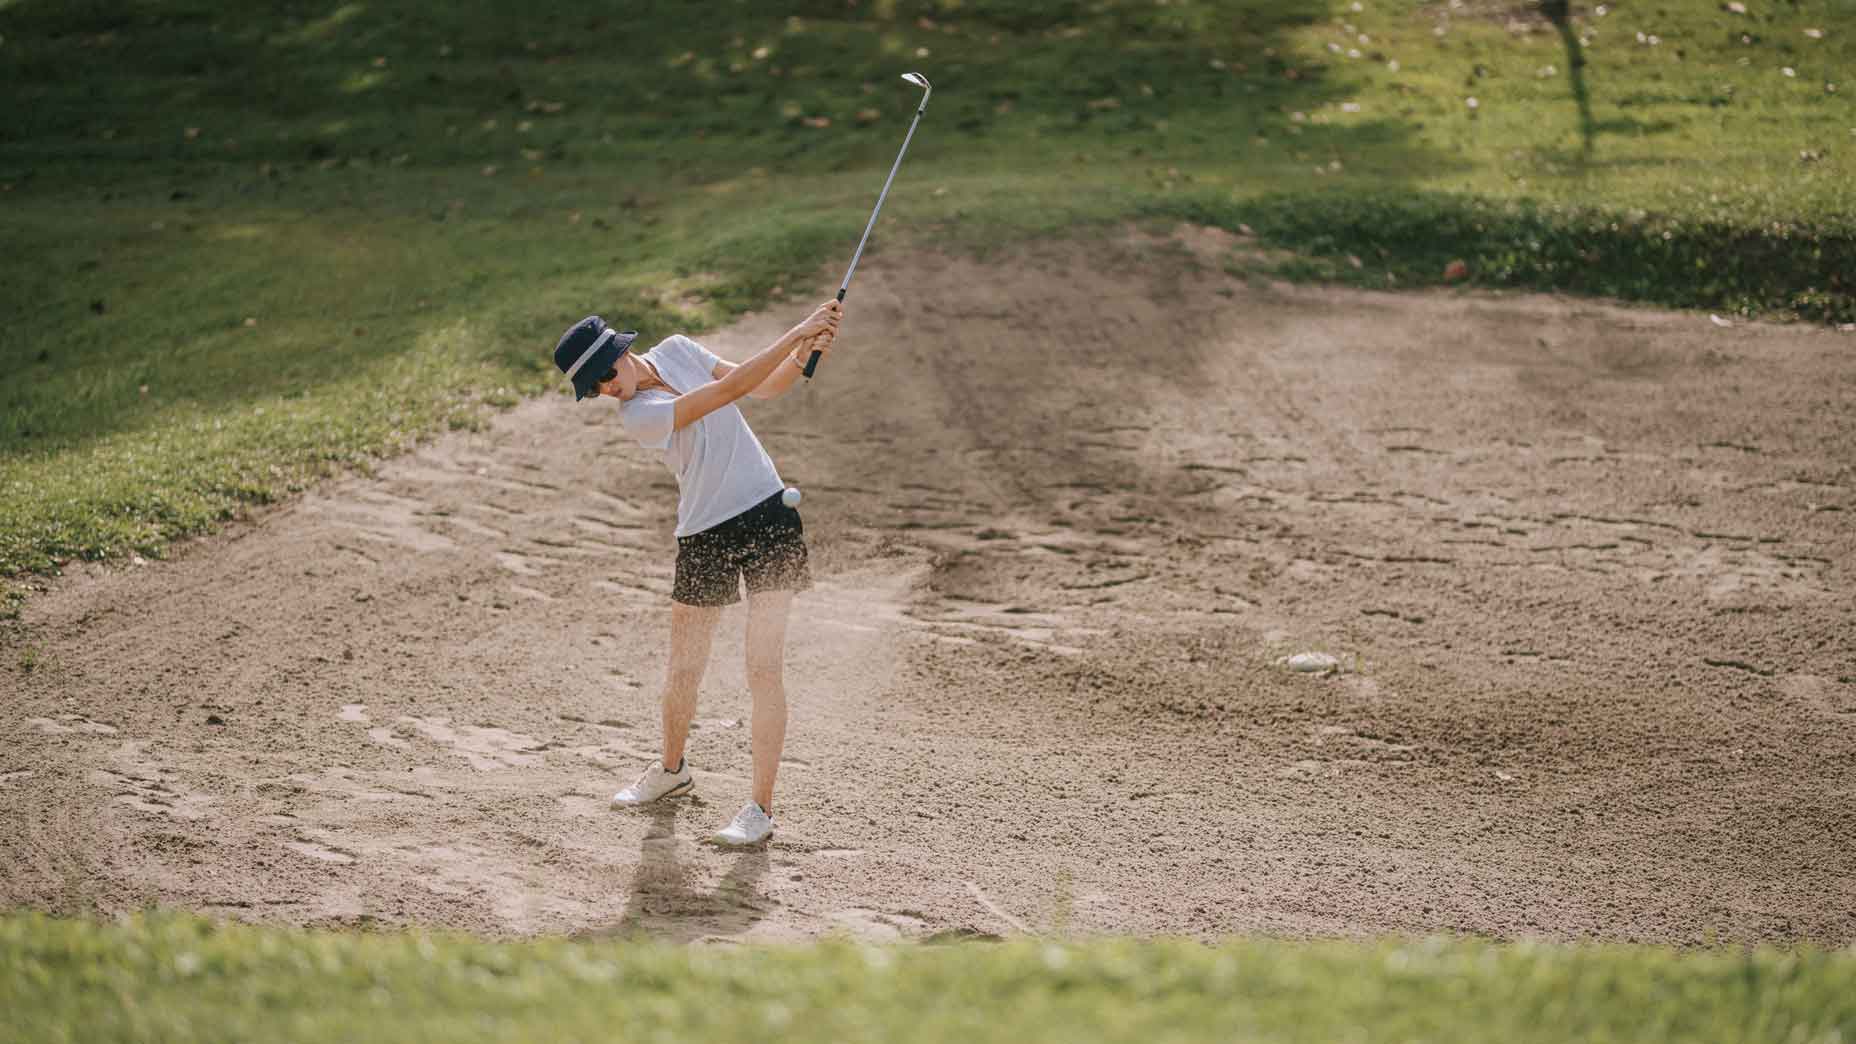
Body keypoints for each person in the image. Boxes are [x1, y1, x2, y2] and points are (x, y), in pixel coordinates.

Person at [552, 299, 842, 846]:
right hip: (704, 535)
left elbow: (763, 387)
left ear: (621, 353)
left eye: (605, 376)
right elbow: (725, 394)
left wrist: (804, 352)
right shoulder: (638, 416)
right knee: (685, 666)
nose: (606, 390)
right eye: (593, 389)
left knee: (763, 668)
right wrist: (795, 333)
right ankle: (672, 770)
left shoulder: (680, 350)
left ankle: (759, 809)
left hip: (770, 518)